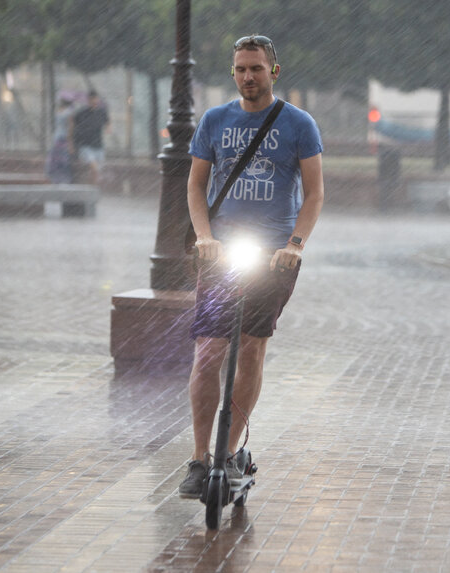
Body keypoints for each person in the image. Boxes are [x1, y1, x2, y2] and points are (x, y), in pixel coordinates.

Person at [178, 34, 324, 498]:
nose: (248, 76)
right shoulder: (215, 120)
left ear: (273, 71)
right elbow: (196, 187)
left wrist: (295, 245)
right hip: (220, 254)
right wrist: (204, 236)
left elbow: (315, 193)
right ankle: (201, 459)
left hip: (273, 257)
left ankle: (231, 449)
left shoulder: (299, 124)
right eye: (241, 68)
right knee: (208, 354)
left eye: (256, 68)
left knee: (252, 350)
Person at [69, 90, 109, 184]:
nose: (94, 102)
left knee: (96, 170)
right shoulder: (81, 112)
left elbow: (108, 121)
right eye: (92, 100)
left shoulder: (101, 112)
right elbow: (71, 123)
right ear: (88, 100)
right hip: (85, 145)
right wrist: (71, 143)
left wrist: (108, 128)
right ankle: (93, 188)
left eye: (96, 99)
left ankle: (91, 188)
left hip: (98, 145)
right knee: (95, 168)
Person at [45, 97, 74, 183]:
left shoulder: (64, 112)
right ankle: (60, 179)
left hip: (60, 138)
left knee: (59, 159)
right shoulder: (65, 112)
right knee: (60, 159)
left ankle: (59, 179)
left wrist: (69, 140)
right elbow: (69, 128)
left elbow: (68, 127)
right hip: (61, 138)